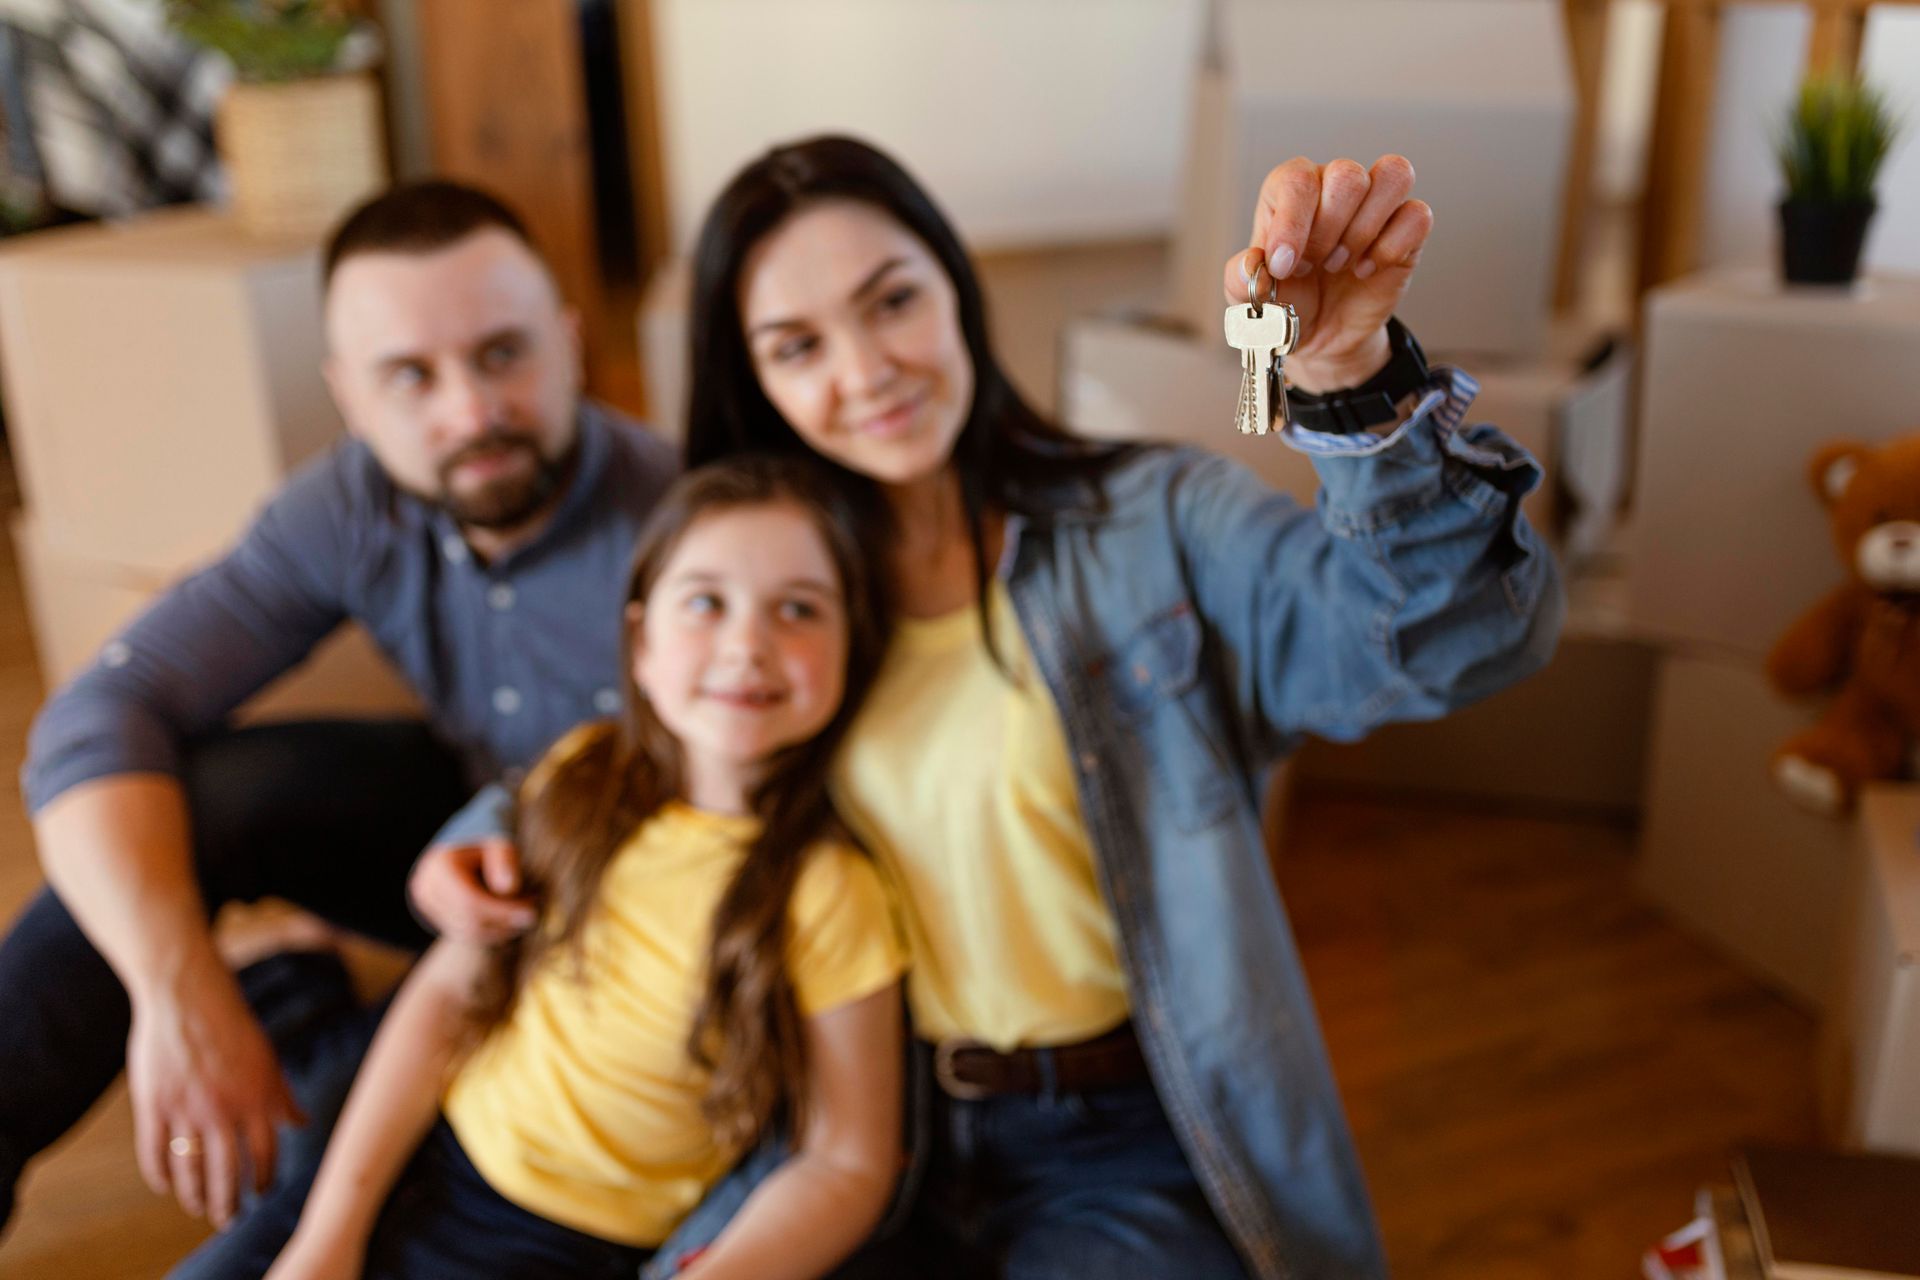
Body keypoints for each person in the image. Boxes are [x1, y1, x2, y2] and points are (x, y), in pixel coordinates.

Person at [417, 136, 1564, 1279]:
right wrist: (485, 838)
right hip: (848, 1121)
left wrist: (1349, 382)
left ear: (956, 292)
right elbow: (647, 748)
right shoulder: (781, 593)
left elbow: (1453, 642)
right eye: (797, 345)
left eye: (893, 301)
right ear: (753, 381)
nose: (865, 370)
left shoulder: (1154, 522)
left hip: (1119, 1135)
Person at [0, 179, 679, 1236]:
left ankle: (299, 1007)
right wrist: (177, 989)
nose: (470, 411)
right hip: (461, 829)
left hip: (609, 913)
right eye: (410, 375)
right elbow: (105, 706)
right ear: (350, 397)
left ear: (570, 341)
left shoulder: (686, 528)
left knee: (331, 1173)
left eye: (504, 353)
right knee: (214, 793)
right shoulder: (354, 500)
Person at [174, 457, 907, 1280]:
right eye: (705, 602)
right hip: (407, 1155)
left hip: (559, 1248)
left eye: (799, 609)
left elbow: (848, 1162)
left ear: (854, 647)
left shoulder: (830, 894)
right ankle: (290, 974)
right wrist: (328, 1234)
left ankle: (289, 972)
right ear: (642, 643)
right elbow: (451, 991)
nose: (747, 643)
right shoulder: (582, 776)